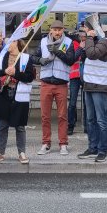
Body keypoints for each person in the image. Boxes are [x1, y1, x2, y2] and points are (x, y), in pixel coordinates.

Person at [0, 38, 35, 165]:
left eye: (10, 42)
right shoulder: (1, 58)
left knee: (20, 126)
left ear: (16, 44)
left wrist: (16, 73)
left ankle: (21, 153)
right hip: (3, 95)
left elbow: (30, 77)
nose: (7, 44)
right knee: (1, 125)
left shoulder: (26, 58)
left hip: (20, 95)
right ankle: (0, 152)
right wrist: (4, 71)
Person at [36, 20, 77, 156]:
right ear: (51, 31)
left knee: (62, 116)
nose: (58, 32)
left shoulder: (68, 42)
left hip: (61, 83)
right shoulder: (43, 42)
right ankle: (46, 143)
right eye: (55, 29)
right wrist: (39, 60)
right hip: (46, 82)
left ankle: (63, 144)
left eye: (60, 30)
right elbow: (33, 57)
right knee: (45, 116)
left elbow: (71, 60)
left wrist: (58, 52)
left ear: (63, 30)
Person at [78, 23, 107, 162]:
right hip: (89, 84)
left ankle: (102, 150)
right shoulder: (91, 42)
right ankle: (92, 148)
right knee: (90, 120)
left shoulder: (105, 42)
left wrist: (88, 38)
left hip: (100, 86)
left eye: (87, 30)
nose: (85, 32)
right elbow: (84, 55)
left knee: (101, 120)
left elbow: (92, 54)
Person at [67, 32, 84, 136]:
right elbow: (72, 58)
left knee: (87, 102)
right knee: (72, 102)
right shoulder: (71, 44)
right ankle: (70, 125)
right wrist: (81, 48)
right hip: (74, 76)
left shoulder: (88, 43)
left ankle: (86, 125)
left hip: (85, 75)